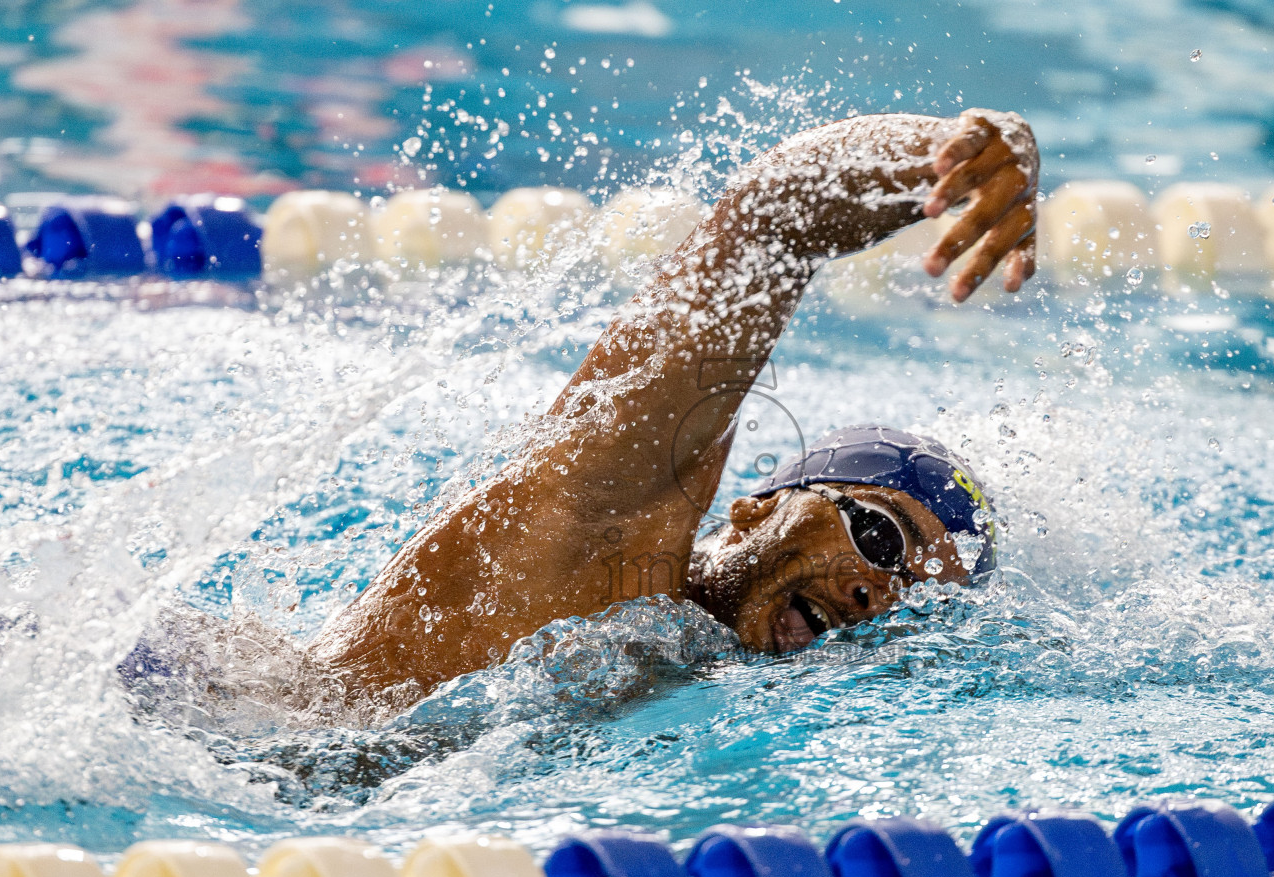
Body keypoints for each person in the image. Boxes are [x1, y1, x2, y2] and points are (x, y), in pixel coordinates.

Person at [308, 108, 1039, 712]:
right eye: (880, 538)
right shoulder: (607, 533)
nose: (877, 593)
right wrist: (953, 154)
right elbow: (773, 218)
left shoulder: (697, 680)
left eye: (916, 596)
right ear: (757, 509)